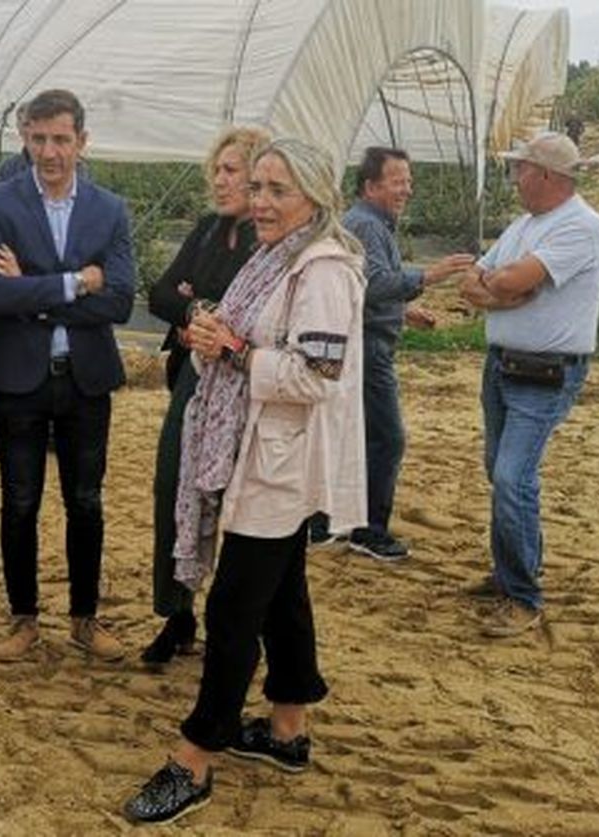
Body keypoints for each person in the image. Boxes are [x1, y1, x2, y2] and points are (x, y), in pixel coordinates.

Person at [123, 138, 366, 825]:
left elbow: (317, 375)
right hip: (257, 451)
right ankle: (288, 730)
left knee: (233, 608)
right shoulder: (273, 257)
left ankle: (196, 757)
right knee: (283, 592)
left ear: (315, 196)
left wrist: (234, 350)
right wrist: (215, 337)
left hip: (279, 461)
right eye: (256, 187)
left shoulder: (322, 270)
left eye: (276, 190)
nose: (260, 201)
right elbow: (250, 341)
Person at [0, 88, 135, 663]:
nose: (49, 152)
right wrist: (76, 282)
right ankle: (24, 620)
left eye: (61, 139)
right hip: (19, 378)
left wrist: (33, 292)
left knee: (85, 501)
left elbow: (120, 301)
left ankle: (85, 619)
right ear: (25, 138)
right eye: (38, 139)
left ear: (81, 142)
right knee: (19, 501)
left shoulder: (109, 209)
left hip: (85, 379)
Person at [458, 131, 599, 638]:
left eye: (521, 168)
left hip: (544, 373)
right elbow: (476, 280)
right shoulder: (526, 225)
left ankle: (523, 596)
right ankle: (511, 573)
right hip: (504, 364)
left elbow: (504, 280)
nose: (515, 177)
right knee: (502, 473)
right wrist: (502, 291)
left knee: (511, 477)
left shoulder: (581, 226)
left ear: (546, 175)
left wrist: (500, 287)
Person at [139, 126, 268, 668]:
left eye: (231, 170)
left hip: (248, 385)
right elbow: (160, 293)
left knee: (239, 503)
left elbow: (256, 318)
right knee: (174, 484)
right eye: (216, 170)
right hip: (194, 379)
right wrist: (195, 312)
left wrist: (204, 312)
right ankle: (178, 614)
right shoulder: (208, 230)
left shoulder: (270, 241)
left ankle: (241, 626)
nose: (219, 180)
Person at [329, 147, 473, 561]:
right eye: (398, 181)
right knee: (388, 439)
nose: (407, 189)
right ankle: (369, 531)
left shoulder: (369, 223)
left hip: (368, 339)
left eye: (409, 181)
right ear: (370, 186)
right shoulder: (367, 225)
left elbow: (357, 288)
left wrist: (403, 311)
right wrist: (429, 275)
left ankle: (333, 521)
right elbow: (373, 284)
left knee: (356, 436)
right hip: (368, 347)